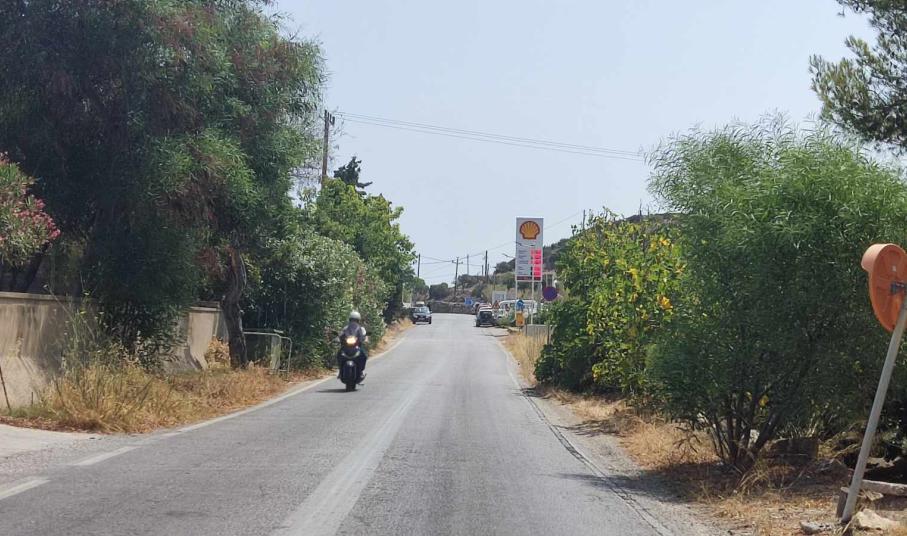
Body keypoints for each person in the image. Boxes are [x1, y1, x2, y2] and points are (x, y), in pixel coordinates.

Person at [339, 310, 368, 382]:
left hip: (357, 347)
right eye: (352, 320)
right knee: (339, 354)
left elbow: (364, 336)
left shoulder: (361, 329)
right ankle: (340, 370)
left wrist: (365, 339)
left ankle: (361, 371)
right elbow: (341, 334)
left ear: (358, 321)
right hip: (346, 347)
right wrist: (338, 338)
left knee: (364, 355)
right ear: (349, 320)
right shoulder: (346, 328)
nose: (353, 322)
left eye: (355, 320)